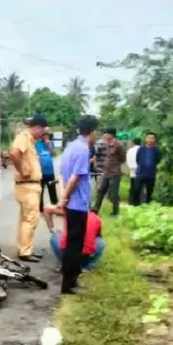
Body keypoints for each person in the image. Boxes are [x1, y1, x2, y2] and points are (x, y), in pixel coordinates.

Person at [59, 114, 99, 294]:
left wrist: (63, 196)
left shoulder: (70, 146)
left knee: (73, 243)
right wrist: (65, 198)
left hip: (72, 203)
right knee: (74, 246)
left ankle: (72, 281)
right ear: (93, 131)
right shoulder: (83, 149)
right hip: (77, 204)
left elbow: (62, 174)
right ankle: (68, 285)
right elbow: (75, 177)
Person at [10, 114, 49, 263]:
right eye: (42, 130)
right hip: (28, 186)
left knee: (26, 219)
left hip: (30, 186)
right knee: (30, 218)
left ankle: (25, 248)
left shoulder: (30, 140)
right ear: (37, 127)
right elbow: (14, 153)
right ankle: (25, 251)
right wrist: (22, 170)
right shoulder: (24, 137)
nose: (43, 134)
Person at [43, 204, 106, 271]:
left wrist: (52, 229)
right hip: (84, 255)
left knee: (55, 236)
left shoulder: (71, 213)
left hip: (68, 255)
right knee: (101, 242)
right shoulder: (97, 219)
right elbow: (98, 236)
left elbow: (46, 209)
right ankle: (87, 266)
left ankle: (65, 264)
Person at [93, 127, 126, 216]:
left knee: (114, 193)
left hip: (115, 172)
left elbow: (123, 158)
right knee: (101, 190)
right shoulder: (105, 143)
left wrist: (115, 164)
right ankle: (95, 209)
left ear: (111, 134)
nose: (105, 135)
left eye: (106, 133)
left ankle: (115, 212)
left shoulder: (118, 145)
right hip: (106, 171)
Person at [134, 132, 161, 204]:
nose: (150, 140)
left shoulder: (156, 150)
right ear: (146, 139)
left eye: (152, 138)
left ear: (155, 140)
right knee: (137, 190)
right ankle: (136, 205)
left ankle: (147, 205)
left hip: (151, 174)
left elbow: (158, 160)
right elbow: (137, 159)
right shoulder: (141, 149)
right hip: (140, 173)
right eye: (149, 138)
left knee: (149, 191)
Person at [36, 130, 58, 212]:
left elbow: (54, 154)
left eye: (48, 135)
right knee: (40, 191)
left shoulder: (51, 143)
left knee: (52, 190)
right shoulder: (37, 144)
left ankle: (55, 206)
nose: (46, 137)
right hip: (41, 172)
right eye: (45, 135)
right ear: (41, 136)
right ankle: (40, 208)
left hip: (50, 171)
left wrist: (49, 146)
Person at [125, 138, 140, 205]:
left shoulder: (130, 150)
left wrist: (131, 167)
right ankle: (139, 202)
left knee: (133, 186)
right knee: (140, 187)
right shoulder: (142, 149)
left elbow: (127, 161)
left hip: (132, 170)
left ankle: (131, 201)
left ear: (133, 143)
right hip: (140, 171)